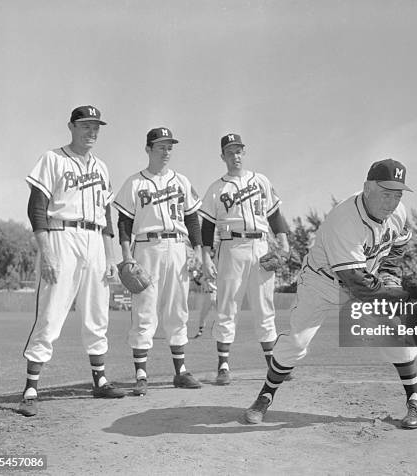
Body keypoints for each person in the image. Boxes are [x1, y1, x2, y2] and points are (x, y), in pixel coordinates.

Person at [244, 158, 417, 429]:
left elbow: (398, 245)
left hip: (364, 280)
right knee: (297, 341)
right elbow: (358, 284)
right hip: (322, 281)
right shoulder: (345, 219)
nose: (392, 202)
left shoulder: (398, 212)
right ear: (367, 188)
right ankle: (265, 396)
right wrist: (397, 296)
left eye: (398, 194)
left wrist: (388, 273)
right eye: (386, 193)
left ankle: (415, 400)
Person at [19, 105, 125, 417]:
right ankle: (31, 387)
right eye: (85, 126)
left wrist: (109, 255)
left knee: (97, 313)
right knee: (51, 312)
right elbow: (36, 207)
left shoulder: (102, 167)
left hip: (94, 240)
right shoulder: (52, 158)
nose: (92, 132)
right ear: (71, 126)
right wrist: (46, 250)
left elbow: (106, 216)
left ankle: (100, 380)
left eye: (96, 127)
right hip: (61, 235)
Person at [113, 127, 203, 396]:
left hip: (177, 246)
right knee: (144, 309)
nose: (166, 151)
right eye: (161, 146)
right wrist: (126, 254)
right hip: (146, 247)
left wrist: (197, 250)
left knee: (178, 309)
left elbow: (192, 218)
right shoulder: (134, 183)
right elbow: (124, 222)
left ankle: (181, 371)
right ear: (148, 149)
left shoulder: (182, 181)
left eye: (169, 147)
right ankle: (141, 373)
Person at [199, 133, 290, 385]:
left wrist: (283, 241)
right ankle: (224, 366)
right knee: (227, 306)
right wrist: (206, 257)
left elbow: (274, 214)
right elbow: (207, 227)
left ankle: (272, 364)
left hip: (261, 246)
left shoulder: (260, 180)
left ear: (244, 152)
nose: (235, 155)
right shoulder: (217, 189)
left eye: (239, 150)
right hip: (231, 246)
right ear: (222, 156)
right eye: (230, 152)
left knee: (265, 307)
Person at [193, 274, 217, 339]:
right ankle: (200, 330)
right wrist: (195, 277)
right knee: (203, 314)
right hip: (207, 296)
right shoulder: (202, 277)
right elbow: (198, 283)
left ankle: (218, 329)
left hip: (215, 294)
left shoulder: (215, 273)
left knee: (220, 313)